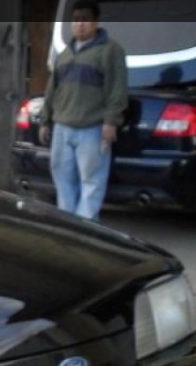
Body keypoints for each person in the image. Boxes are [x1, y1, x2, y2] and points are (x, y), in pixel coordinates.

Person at [39, 0, 127, 220]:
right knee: (62, 178)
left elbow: (117, 88)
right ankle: (68, 223)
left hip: (93, 128)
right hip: (62, 127)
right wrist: (44, 120)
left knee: (92, 181)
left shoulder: (110, 51)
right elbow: (52, 90)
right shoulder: (65, 54)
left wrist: (110, 122)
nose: (80, 24)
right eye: (76, 20)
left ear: (96, 22)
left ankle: (87, 227)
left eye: (86, 20)